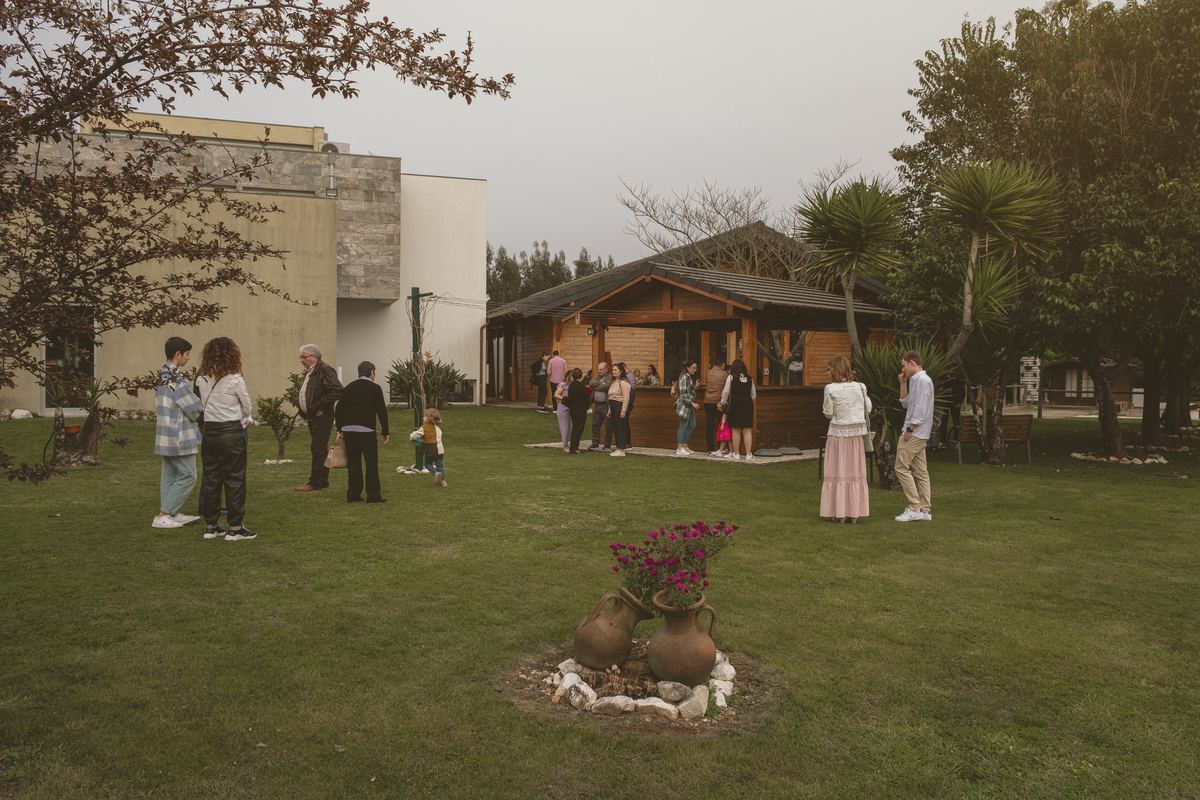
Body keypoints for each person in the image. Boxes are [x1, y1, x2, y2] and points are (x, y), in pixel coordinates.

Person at [196, 337, 256, 541]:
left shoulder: (202, 378)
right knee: (234, 479)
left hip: (209, 432)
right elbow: (247, 408)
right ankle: (235, 527)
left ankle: (211, 526)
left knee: (212, 479)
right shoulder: (235, 379)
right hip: (230, 432)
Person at [153, 336, 202, 529]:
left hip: (165, 433)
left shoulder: (160, 376)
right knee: (189, 475)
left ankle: (171, 513)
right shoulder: (177, 379)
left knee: (170, 475)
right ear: (178, 354)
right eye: (187, 354)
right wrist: (198, 411)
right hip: (179, 434)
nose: (189, 358)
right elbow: (193, 406)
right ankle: (163, 515)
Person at [820, 355, 871, 524]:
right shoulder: (861, 386)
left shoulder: (830, 388)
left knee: (837, 472)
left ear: (835, 369)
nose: (828, 372)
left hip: (838, 436)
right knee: (855, 473)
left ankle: (839, 512)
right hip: (856, 437)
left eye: (829, 369)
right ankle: (854, 513)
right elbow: (868, 409)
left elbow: (828, 414)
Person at [335, 360, 390, 504]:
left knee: (353, 462)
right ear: (372, 372)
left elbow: (339, 409)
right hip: (366, 430)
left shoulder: (348, 388)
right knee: (371, 462)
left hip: (349, 430)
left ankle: (353, 493)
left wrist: (340, 428)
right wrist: (385, 431)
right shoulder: (375, 388)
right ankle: (373, 495)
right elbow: (381, 411)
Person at [295, 343, 342, 493]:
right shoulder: (312, 371)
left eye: (304, 357)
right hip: (314, 416)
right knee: (320, 449)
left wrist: (320, 407)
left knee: (317, 448)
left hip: (322, 416)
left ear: (314, 357)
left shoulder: (324, 370)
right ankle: (322, 481)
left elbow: (337, 390)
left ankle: (314, 482)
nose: (301, 360)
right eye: (301, 357)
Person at [896, 350, 934, 522]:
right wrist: (903, 383)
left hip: (915, 432)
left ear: (912, 362)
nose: (903, 369)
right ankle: (925, 510)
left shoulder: (922, 380)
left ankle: (915, 508)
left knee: (901, 468)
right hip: (920, 432)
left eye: (904, 365)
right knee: (921, 472)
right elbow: (906, 404)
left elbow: (920, 408)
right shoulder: (916, 380)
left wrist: (909, 430)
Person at [721, 358, 756, 460]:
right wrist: (747, 401)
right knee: (747, 430)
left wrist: (723, 402)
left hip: (735, 404)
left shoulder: (731, 378)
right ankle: (748, 454)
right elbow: (753, 395)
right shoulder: (750, 379)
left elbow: (726, 392)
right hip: (747, 405)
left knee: (735, 430)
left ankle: (736, 454)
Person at [409, 407, 447, 487]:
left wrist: (411, 438)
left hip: (430, 450)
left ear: (430, 418)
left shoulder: (424, 428)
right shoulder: (438, 428)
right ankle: (443, 482)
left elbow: (414, 435)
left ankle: (435, 473)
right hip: (440, 451)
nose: (423, 418)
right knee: (439, 465)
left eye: (424, 416)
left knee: (428, 464)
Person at [704, 358, 730, 456]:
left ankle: (710, 448)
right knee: (721, 426)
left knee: (709, 426)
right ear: (722, 365)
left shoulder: (708, 372)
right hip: (718, 403)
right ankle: (721, 448)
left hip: (707, 401)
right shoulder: (724, 374)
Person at [606, 363, 632, 457]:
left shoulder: (623, 383)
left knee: (621, 428)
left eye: (615, 370)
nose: (613, 372)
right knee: (616, 428)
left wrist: (623, 410)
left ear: (620, 371)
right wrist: (609, 410)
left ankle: (622, 449)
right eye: (613, 370)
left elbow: (626, 398)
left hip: (620, 406)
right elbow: (611, 397)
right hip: (613, 406)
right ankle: (618, 447)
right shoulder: (614, 383)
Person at [674, 360, 700, 456]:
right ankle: (679, 448)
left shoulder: (688, 377)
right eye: (693, 368)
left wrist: (695, 387)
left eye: (695, 368)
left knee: (692, 425)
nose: (694, 370)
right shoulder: (684, 378)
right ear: (688, 368)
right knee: (683, 425)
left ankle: (684, 446)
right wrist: (693, 403)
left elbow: (688, 391)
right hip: (685, 405)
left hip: (689, 405)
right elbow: (683, 394)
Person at [587, 362, 613, 451]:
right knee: (595, 424)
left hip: (605, 405)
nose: (599, 371)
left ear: (606, 370)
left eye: (601, 369)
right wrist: (601, 383)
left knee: (608, 425)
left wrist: (597, 387)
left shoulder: (610, 377)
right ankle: (595, 443)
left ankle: (607, 444)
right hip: (596, 404)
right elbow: (591, 383)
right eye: (598, 369)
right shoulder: (597, 376)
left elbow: (607, 386)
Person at [564, 368, 591, 454]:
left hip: (573, 408)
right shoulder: (581, 386)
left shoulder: (571, 386)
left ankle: (573, 447)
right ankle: (575, 448)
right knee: (579, 428)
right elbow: (586, 398)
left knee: (575, 428)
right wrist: (587, 406)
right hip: (580, 409)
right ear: (581, 376)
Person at [553, 370, 574, 452]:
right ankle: (565, 445)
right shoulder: (563, 385)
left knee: (573, 426)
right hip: (563, 407)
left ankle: (574, 444)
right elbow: (556, 394)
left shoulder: (574, 386)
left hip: (572, 408)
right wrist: (564, 399)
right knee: (564, 427)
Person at [622, 362, 637, 449]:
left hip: (628, 402)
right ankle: (625, 442)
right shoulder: (626, 376)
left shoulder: (630, 376)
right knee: (624, 422)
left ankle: (627, 442)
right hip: (626, 401)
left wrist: (630, 402)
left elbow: (632, 390)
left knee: (625, 422)